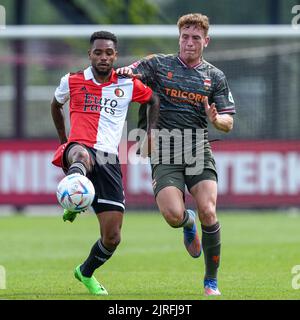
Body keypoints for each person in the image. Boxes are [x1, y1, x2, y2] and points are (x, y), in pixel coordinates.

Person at [117, 13, 235, 296]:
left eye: (196, 38)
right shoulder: (158, 64)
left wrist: (215, 119)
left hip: (197, 147)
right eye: (185, 37)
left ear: (206, 41)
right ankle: (187, 222)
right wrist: (124, 72)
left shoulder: (215, 76)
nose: (189, 43)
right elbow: (131, 70)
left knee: (209, 210)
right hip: (163, 149)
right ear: (179, 38)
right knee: (173, 215)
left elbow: (228, 123)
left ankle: (211, 282)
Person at [51, 31, 160, 296]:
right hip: (79, 149)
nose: (103, 57)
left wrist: (150, 133)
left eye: (108, 53)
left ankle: (85, 272)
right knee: (82, 157)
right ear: (90, 54)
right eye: (98, 52)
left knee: (112, 238)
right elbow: (56, 105)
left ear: (115, 56)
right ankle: (75, 190)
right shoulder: (72, 80)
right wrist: (65, 142)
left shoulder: (127, 84)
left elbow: (153, 100)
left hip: (109, 159)